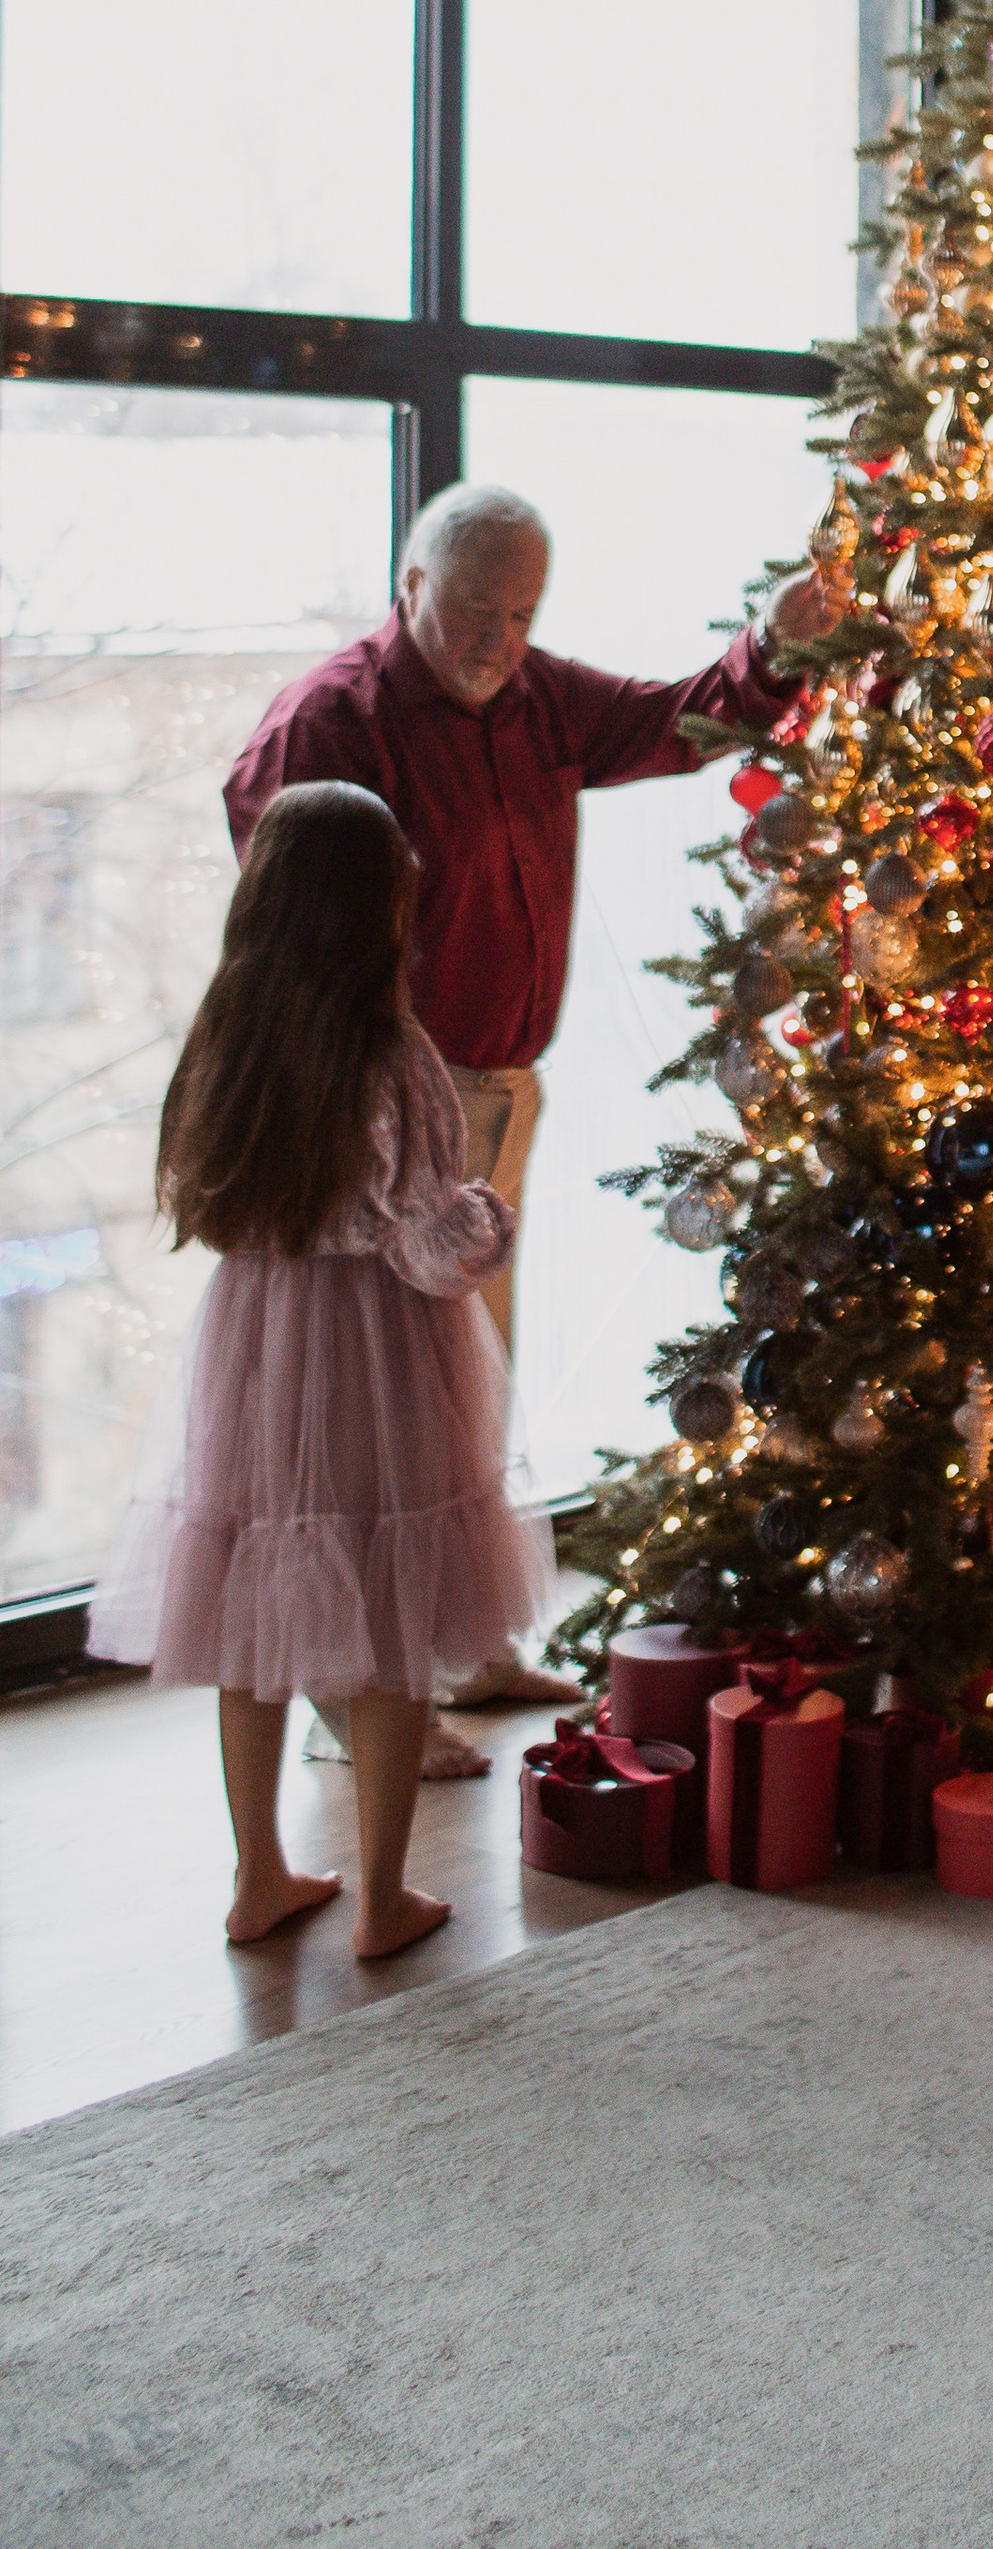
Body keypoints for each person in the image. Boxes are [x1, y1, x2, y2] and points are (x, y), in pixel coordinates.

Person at [224, 479, 839, 1762]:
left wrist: (775, 647)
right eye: (472, 612)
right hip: (384, 1109)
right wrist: (365, 1093)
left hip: (498, 1096)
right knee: (372, 1415)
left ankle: (462, 1651)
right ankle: (359, 1702)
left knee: (464, 1391)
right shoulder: (330, 719)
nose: (496, 642)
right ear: (409, 589)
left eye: (520, 613)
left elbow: (682, 725)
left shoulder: (538, 694)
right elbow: (277, 905)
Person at [87, 783, 555, 1959]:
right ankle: (385, 1898)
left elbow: (208, 1196)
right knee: (389, 1608)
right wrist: (487, 1216)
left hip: (255, 1338)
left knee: (253, 1601)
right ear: (373, 911)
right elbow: (423, 1243)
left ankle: (260, 1878)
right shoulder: (390, 1054)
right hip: (375, 1349)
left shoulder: (226, 1036)